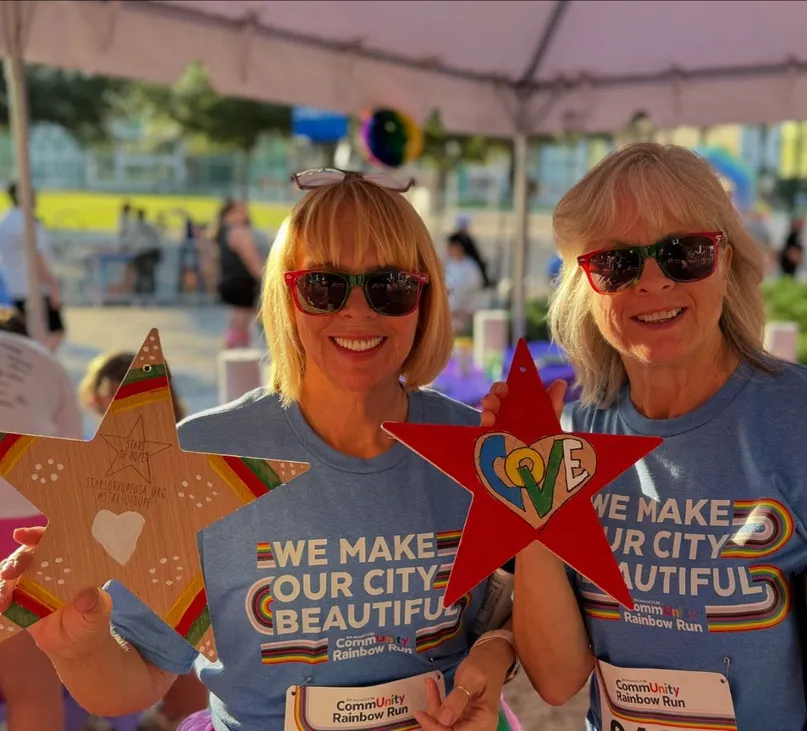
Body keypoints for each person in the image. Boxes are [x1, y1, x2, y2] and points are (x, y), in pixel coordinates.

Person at [0, 170, 518, 731]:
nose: (358, 311)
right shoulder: (197, 457)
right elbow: (137, 678)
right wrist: (77, 645)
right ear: (286, 296)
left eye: (390, 286)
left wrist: (498, 647)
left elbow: (529, 616)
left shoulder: (479, 451)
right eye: (324, 286)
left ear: (426, 299)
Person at [481, 143, 807, 731]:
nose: (652, 281)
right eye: (617, 264)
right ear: (583, 286)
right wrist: (532, 496)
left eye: (684, 253)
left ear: (726, 262)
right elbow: (556, 680)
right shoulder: (575, 437)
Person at [77, 351, 207, 731]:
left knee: (178, 675)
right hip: (132, 581)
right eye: (109, 393)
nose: (114, 402)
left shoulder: (181, 442)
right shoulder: (90, 451)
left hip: (167, 577)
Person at [0, 307, 83, 731]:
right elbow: (72, 458)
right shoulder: (40, 360)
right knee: (31, 687)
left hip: (22, 526)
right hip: (23, 528)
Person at [0, 183, 65, 351]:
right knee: (55, 331)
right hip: (35, 290)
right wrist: (53, 287)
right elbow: (38, 258)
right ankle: (39, 366)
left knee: (22, 336)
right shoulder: (29, 223)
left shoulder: (5, 221)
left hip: (12, 289)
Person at [215, 199, 264, 348]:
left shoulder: (223, 231)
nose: (245, 214)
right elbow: (250, 257)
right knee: (241, 323)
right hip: (242, 283)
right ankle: (237, 358)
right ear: (230, 213)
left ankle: (232, 356)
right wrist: (265, 277)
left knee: (236, 322)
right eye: (241, 210)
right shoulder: (239, 231)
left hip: (230, 281)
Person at [443, 236, 484, 335]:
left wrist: (458, 308)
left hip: (465, 313)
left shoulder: (470, 266)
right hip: (450, 313)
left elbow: (470, 290)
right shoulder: (449, 265)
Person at [448, 216, 490, 289]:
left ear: (459, 248)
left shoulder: (470, 267)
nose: (448, 249)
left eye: (451, 247)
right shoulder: (450, 263)